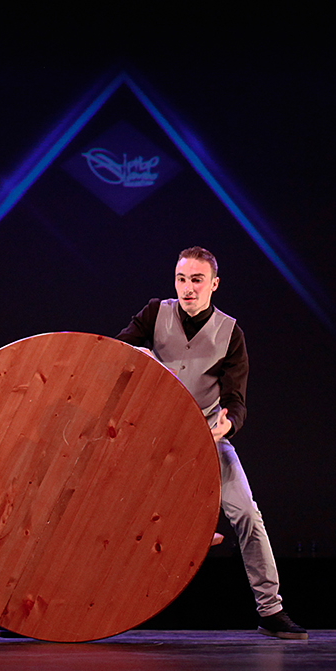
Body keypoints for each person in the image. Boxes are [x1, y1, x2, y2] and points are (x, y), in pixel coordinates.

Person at [114, 247, 308, 640]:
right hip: (151, 437)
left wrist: (229, 422)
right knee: (103, 512)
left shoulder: (229, 332)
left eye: (197, 280)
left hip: (205, 435)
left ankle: (271, 609)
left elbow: (236, 399)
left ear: (214, 284)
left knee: (247, 514)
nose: (187, 288)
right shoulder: (155, 313)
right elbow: (115, 352)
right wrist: (139, 352)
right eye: (181, 279)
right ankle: (64, 611)